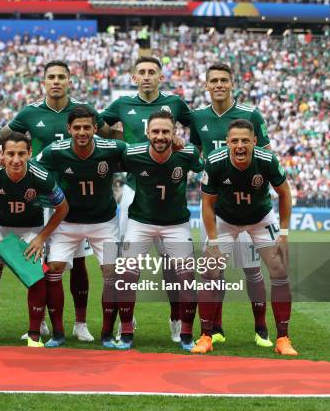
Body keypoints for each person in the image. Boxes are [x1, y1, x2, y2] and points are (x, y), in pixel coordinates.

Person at [0, 60, 119, 342]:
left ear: (70, 81)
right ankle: (43, 323)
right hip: (39, 195)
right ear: (43, 81)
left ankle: (81, 323)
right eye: (51, 77)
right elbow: (1, 137)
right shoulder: (29, 112)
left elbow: (110, 137)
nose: (56, 82)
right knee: (47, 264)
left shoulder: (83, 112)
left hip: (74, 197)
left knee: (78, 262)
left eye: (62, 77)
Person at [101, 56, 192, 343]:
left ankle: (177, 320)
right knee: (126, 264)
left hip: (170, 192)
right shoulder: (121, 105)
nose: (147, 76)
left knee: (172, 266)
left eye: (152, 72)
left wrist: (185, 148)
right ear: (134, 76)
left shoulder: (175, 104)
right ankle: (126, 321)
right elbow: (97, 128)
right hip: (133, 190)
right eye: (142, 72)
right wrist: (119, 135)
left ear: (160, 77)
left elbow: (198, 130)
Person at [194, 119, 297, 356]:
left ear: (254, 142)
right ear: (228, 142)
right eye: (235, 141)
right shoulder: (215, 161)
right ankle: (206, 336)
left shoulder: (267, 160)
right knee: (210, 272)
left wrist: (283, 233)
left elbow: (285, 193)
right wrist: (213, 241)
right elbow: (207, 203)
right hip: (225, 220)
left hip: (261, 218)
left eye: (245, 141)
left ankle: (283, 339)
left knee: (279, 271)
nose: (240, 145)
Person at [190, 62, 273, 347]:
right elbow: (195, 153)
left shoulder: (250, 114)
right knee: (214, 270)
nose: (219, 85)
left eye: (224, 80)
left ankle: (261, 328)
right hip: (215, 206)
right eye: (213, 80)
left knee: (251, 268)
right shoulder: (197, 117)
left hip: (248, 206)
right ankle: (214, 328)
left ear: (232, 83)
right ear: (206, 84)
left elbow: (266, 155)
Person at [0, 132, 69, 347]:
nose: (16, 159)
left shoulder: (41, 176)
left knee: (35, 274)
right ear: (1, 154)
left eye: (21, 153)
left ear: (30, 153)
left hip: (31, 228)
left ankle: (33, 335)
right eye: (10, 154)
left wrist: (41, 238)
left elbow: (62, 208)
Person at [35, 106, 126, 348]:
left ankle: (106, 335)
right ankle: (58, 333)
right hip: (67, 222)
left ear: (96, 128)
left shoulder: (113, 149)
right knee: (53, 270)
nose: (82, 132)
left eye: (87, 127)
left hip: (104, 222)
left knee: (112, 274)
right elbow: (32, 169)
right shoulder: (54, 151)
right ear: (68, 129)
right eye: (77, 127)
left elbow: (141, 155)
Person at [120, 111, 203, 350]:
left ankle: (185, 333)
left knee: (186, 278)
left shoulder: (186, 153)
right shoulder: (133, 153)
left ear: (174, 133)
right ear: (147, 133)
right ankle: (126, 330)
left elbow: (203, 168)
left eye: (165, 131)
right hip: (140, 222)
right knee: (126, 276)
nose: (160, 136)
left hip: (176, 224)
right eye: (155, 131)